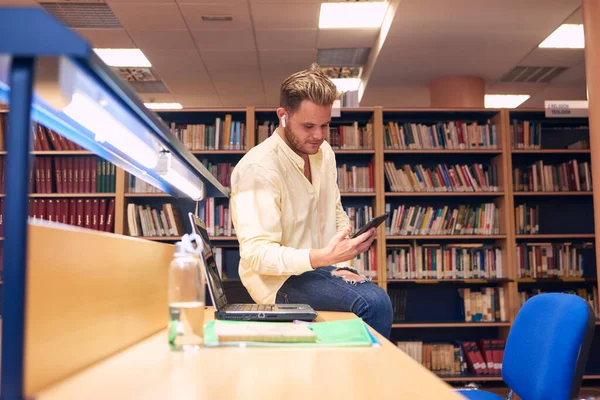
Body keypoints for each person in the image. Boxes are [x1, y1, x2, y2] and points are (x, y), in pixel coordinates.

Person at [229, 63, 393, 338]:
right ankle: (364, 380)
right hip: (278, 281)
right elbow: (256, 254)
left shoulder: (323, 152)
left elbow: (334, 208)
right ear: (283, 115)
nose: (318, 135)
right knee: (372, 303)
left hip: (321, 267)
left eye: (325, 125)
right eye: (308, 126)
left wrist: (346, 246)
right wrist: (322, 257)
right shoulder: (258, 168)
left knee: (373, 300)